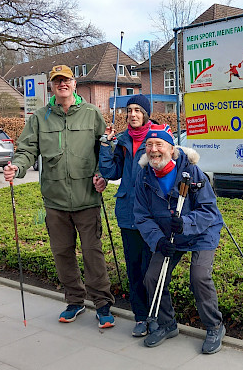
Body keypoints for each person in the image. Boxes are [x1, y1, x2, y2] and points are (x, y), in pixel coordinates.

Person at [3, 65, 116, 328]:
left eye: (66, 80)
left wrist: (102, 175)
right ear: (52, 86)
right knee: (62, 253)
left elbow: (105, 151)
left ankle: (102, 303)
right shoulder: (40, 117)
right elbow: (27, 150)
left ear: (75, 84)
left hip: (87, 199)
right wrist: (16, 168)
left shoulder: (91, 114)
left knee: (92, 253)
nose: (62, 84)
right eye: (57, 81)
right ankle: (75, 300)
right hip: (54, 201)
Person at [133, 124, 226, 354]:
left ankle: (215, 326)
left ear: (171, 149)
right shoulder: (144, 176)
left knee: (199, 277)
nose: (154, 150)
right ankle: (167, 324)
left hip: (201, 231)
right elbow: (141, 215)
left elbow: (209, 210)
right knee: (152, 277)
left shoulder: (191, 171)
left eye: (159, 144)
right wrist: (157, 240)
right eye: (149, 145)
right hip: (169, 235)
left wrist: (187, 222)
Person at [98, 95, 153, 337]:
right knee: (133, 268)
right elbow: (110, 172)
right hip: (128, 212)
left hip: (152, 214)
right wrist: (105, 146)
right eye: (129, 110)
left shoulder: (157, 139)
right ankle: (141, 317)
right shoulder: (121, 141)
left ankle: (159, 316)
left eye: (138, 110)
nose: (132, 114)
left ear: (146, 114)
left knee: (151, 269)